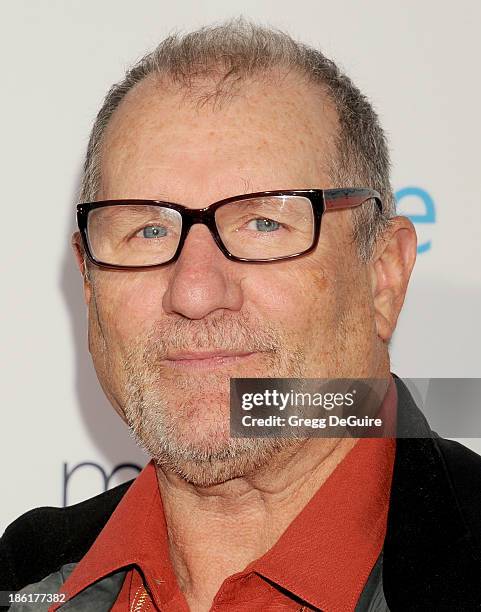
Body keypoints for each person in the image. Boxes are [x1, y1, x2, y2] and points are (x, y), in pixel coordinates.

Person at [1, 19, 480, 612]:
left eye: (263, 224)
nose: (195, 292)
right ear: (89, 285)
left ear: (383, 274)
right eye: (149, 230)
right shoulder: (26, 574)